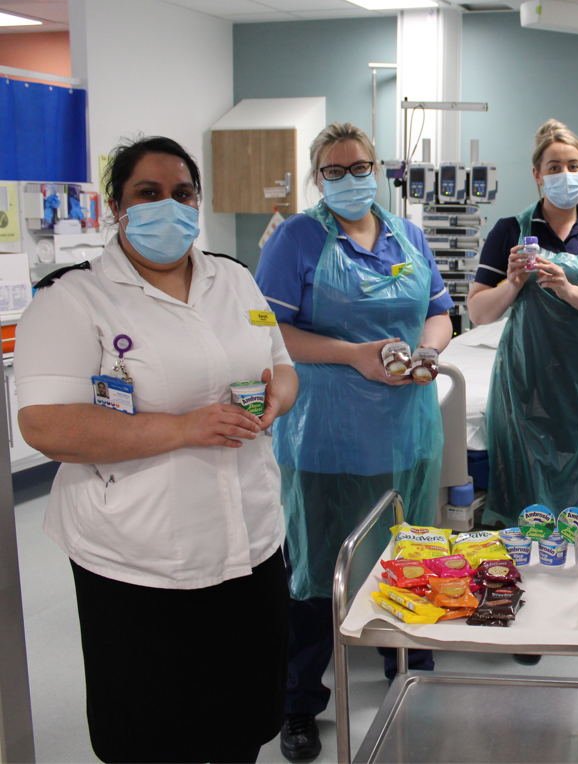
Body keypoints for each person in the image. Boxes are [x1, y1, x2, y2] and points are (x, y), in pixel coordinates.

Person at [15, 136, 299, 763]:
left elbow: (281, 367)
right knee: (149, 731)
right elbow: (45, 425)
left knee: (242, 717)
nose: (168, 206)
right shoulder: (74, 298)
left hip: (249, 538)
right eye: (149, 193)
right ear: (118, 205)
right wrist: (184, 428)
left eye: (183, 193)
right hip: (136, 557)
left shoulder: (236, 279)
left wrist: (275, 401)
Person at [255, 122, 453, 760]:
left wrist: (427, 351)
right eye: (334, 171)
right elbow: (270, 333)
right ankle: (297, 703)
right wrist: (355, 356)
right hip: (329, 433)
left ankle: (409, 665)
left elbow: (441, 309)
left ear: (380, 169)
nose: (349, 179)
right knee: (318, 569)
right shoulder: (297, 238)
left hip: (408, 427)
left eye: (359, 166)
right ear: (318, 177)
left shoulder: (406, 233)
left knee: (412, 548)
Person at [467, 119, 578, 529]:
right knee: (527, 500)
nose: (565, 174)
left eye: (573, 165)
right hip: (525, 384)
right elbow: (478, 313)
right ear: (537, 175)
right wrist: (512, 283)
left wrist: (568, 290)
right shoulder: (511, 230)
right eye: (554, 166)